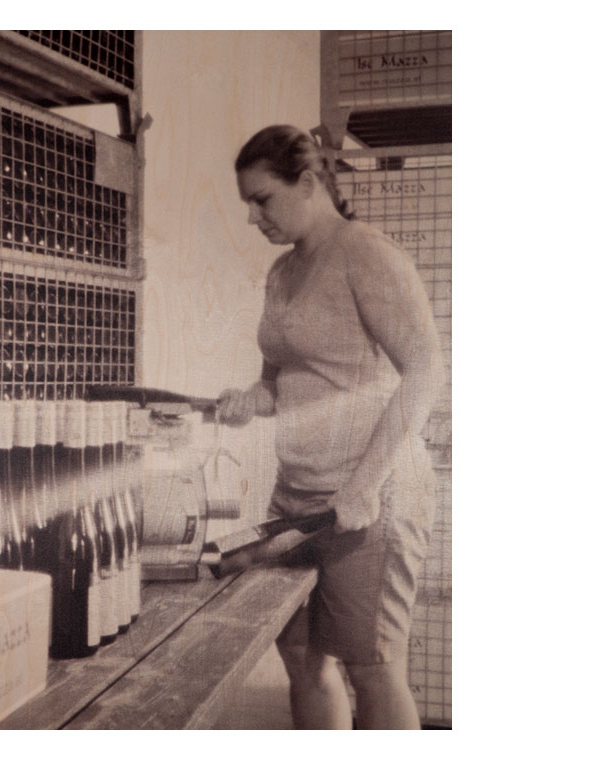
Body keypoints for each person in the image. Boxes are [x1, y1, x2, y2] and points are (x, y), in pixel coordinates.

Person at [217, 125, 445, 729]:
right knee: (300, 656)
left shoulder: (366, 254)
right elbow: (283, 382)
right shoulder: (281, 273)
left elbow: (426, 369)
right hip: (297, 496)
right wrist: (250, 400)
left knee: (372, 667)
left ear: (308, 183)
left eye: (261, 199)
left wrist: (364, 486)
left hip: (372, 497)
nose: (252, 217)